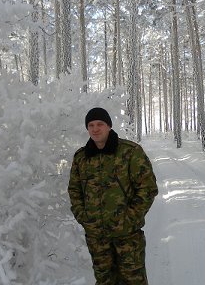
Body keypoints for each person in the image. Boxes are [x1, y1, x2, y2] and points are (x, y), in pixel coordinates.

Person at [67, 107, 158, 285]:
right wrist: (84, 217)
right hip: (96, 237)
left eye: (100, 124)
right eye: (91, 125)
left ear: (109, 126)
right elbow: (74, 190)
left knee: (133, 280)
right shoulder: (82, 157)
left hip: (127, 235)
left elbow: (148, 188)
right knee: (104, 280)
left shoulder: (130, 152)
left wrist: (130, 218)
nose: (95, 129)